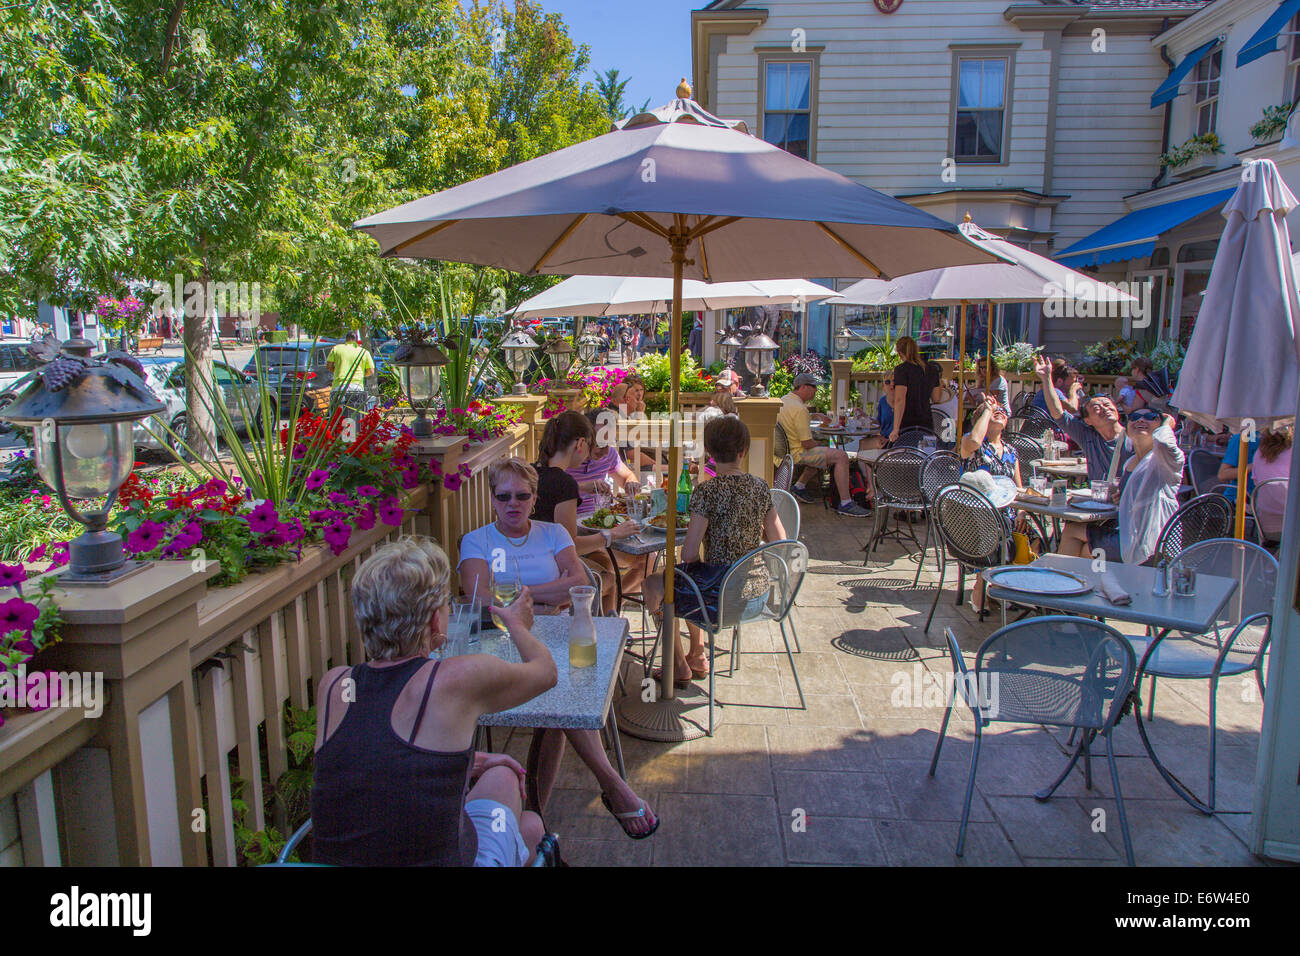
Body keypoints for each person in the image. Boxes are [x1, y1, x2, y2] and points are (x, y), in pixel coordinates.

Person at [310, 537, 555, 866]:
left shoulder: (335, 686)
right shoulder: (455, 679)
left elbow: (378, 757)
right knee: (530, 823)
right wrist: (517, 623)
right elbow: (545, 673)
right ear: (434, 621)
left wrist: (474, 761)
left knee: (501, 777)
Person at [458, 459, 659, 839]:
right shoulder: (477, 540)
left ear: (535, 499)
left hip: (553, 636)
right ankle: (609, 786)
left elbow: (578, 581)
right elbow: (478, 598)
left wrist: (520, 598)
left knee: (557, 702)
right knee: (558, 695)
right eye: (503, 496)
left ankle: (535, 816)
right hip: (497, 645)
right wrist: (542, 599)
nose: (512, 504)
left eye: (522, 496)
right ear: (492, 499)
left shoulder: (553, 534)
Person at [643, 416, 786, 683]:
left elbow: (687, 555)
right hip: (757, 595)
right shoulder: (760, 487)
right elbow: (780, 539)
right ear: (743, 451)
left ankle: (677, 665)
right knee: (685, 578)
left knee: (658, 583)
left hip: (719, 600)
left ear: (708, 452)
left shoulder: (706, 492)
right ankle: (697, 654)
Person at [534, 411, 644, 614]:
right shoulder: (564, 484)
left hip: (531, 561)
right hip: (551, 569)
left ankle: (605, 625)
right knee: (608, 579)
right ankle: (604, 633)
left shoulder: (532, 473)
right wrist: (612, 535)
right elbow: (570, 545)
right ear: (580, 444)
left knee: (607, 567)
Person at [1058, 408, 1183, 566]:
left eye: (1151, 417)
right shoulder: (1129, 463)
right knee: (1085, 551)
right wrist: (1122, 497)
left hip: (1151, 545)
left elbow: (1165, 444)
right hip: (1129, 535)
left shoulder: (1165, 461)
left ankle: (1062, 582)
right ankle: (1084, 584)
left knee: (1073, 532)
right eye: (1135, 417)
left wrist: (1168, 425)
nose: (1141, 420)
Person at [960, 395, 1026, 614]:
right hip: (975, 514)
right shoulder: (972, 445)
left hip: (1006, 514)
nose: (999, 411)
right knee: (997, 533)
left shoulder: (1011, 452)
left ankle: (1003, 583)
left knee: (1033, 536)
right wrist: (988, 409)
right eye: (990, 411)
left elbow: (1019, 488)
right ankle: (983, 584)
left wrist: (1022, 513)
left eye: (1002, 412)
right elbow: (975, 441)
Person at [777, 372, 872, 517]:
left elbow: (793, 420)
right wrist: (819, 443)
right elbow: (807, 443)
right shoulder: (800, 409)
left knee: (823, 452)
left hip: (784, 452)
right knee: (841, 456)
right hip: (797, 454)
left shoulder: (784, 401)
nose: (816, 390)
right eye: (813, 386)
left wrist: (814, 416)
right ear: (803, 387)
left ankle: (799, 486)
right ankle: (845, 503)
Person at [1033, 354, 1132, 483]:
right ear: (1087, 420)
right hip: (1098, 499)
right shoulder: (1088, 437)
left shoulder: (1134, 435)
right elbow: (1058, 413)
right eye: (1096, 408)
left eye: (1107, 404)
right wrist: (1046, 379)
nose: (1105, 409)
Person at [568, 408, 642, 515]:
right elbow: (548, 490)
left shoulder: (609, 454)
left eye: (611, 442)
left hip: (598, 519)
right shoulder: (566, 457)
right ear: (584, 438)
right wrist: (582, 487)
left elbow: (627, 476)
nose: (606, 452)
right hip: (568, 521)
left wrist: (631, 484)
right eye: (600, 443)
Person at [889, 336, 933, 442]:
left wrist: (895, 429)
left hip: (907, 423)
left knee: (905, 456)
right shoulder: (931, 369)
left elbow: (900, 399)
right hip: (926, 421)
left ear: (899, 353)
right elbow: (936, 397)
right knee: (925, 455)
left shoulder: (902, 370)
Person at [1251, 424, 1292, 533]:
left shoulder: (1259, 453)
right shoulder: (1295, 453)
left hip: (1266, 528)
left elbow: (1257, 483)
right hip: (1293, 531)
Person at [327, 331, 375, 416]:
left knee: (337, 414)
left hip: (339, 386)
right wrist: (360, 375)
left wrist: (337, 371)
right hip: (357, 387)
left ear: (346, 340)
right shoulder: (364, 352)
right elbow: (371, 371)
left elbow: (329, 366)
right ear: (356, 340)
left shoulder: (336, 349)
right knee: (356, 413)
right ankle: (355, 428)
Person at [1217, 431, 1260, 504]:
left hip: (1266, 500)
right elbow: (1222, 475)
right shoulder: (1242, 438)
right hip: (1241, 500)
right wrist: (1255, 465)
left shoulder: (1281, 441)